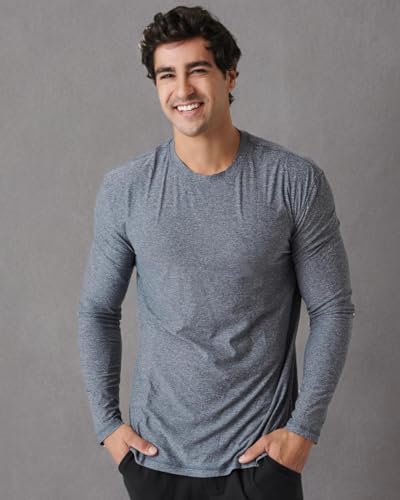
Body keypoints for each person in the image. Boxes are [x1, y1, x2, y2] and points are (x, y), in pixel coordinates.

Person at [77, 5, 356, 500]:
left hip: (261, 465)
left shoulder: (294, 182)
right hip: (155, 462)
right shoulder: (126, 190)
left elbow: (332, 308)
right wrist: (108, 426)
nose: (182, 89)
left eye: (198, 70)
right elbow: (98, 310)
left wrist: (302, 432)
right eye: (167, 74)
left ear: (230, 76)